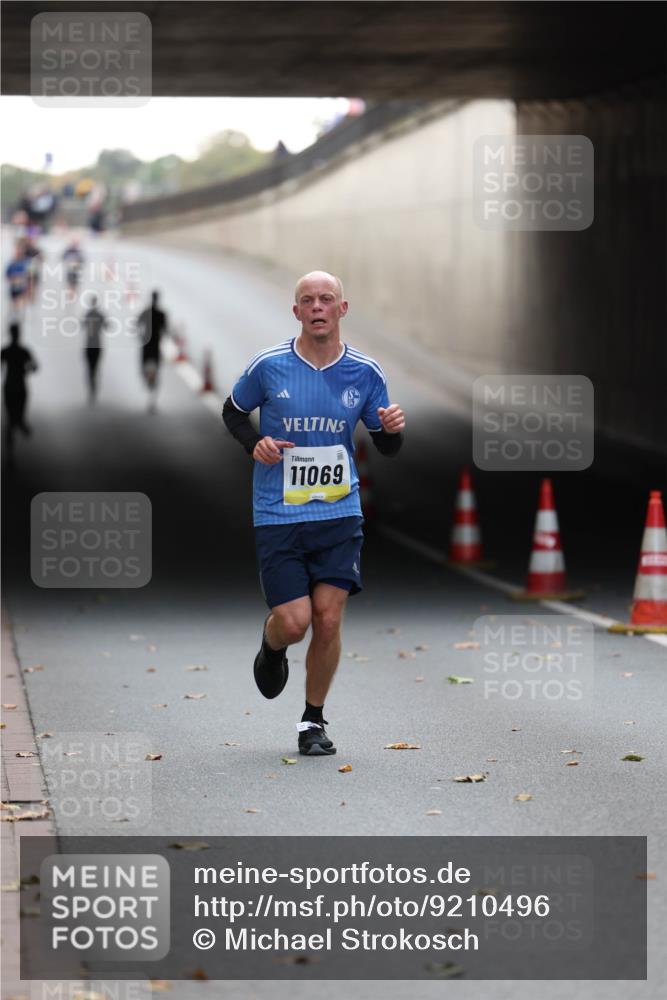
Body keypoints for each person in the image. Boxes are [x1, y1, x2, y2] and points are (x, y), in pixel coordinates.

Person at [222, 271, 405, 756]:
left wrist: (390, 429)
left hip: (339, 514)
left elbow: (387, 446)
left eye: (327, 299)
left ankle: (312, 721)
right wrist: (254, 442)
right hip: (278, 513)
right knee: (296, 620)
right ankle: (272, 643)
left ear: (342, 309)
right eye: (308, 300)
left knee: (328, 618)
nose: (318, 307)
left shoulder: (365, 372)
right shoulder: (270, 365)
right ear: (297, 311)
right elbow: (232, 412)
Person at [1, 322, 38, 457]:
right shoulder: (24, 351)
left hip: (9, 387)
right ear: (19, 334)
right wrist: (26, 370)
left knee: (10, 418)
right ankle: (21, 425)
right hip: (20, 387)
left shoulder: (5, 351)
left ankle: (10, 452)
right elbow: (35, 367)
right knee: (16, 416)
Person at [136, 290, 168, 413]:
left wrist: (140, 336)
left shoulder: (147, 312)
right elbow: (165, 330)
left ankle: (150, 390)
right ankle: (152, 395)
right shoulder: (160, 314)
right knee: (154, 372)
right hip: (154, 347)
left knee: (146, 370)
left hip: (147, 346)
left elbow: (137, 324)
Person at [81, 295, 107, 401]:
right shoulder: (100, 315)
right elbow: (107, 326)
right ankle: (93, 388)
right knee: (95, 368)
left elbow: (82, 325)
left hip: (89, 344)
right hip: (97, 344)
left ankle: (92, 388)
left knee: (90, 368)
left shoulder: (88, 315)